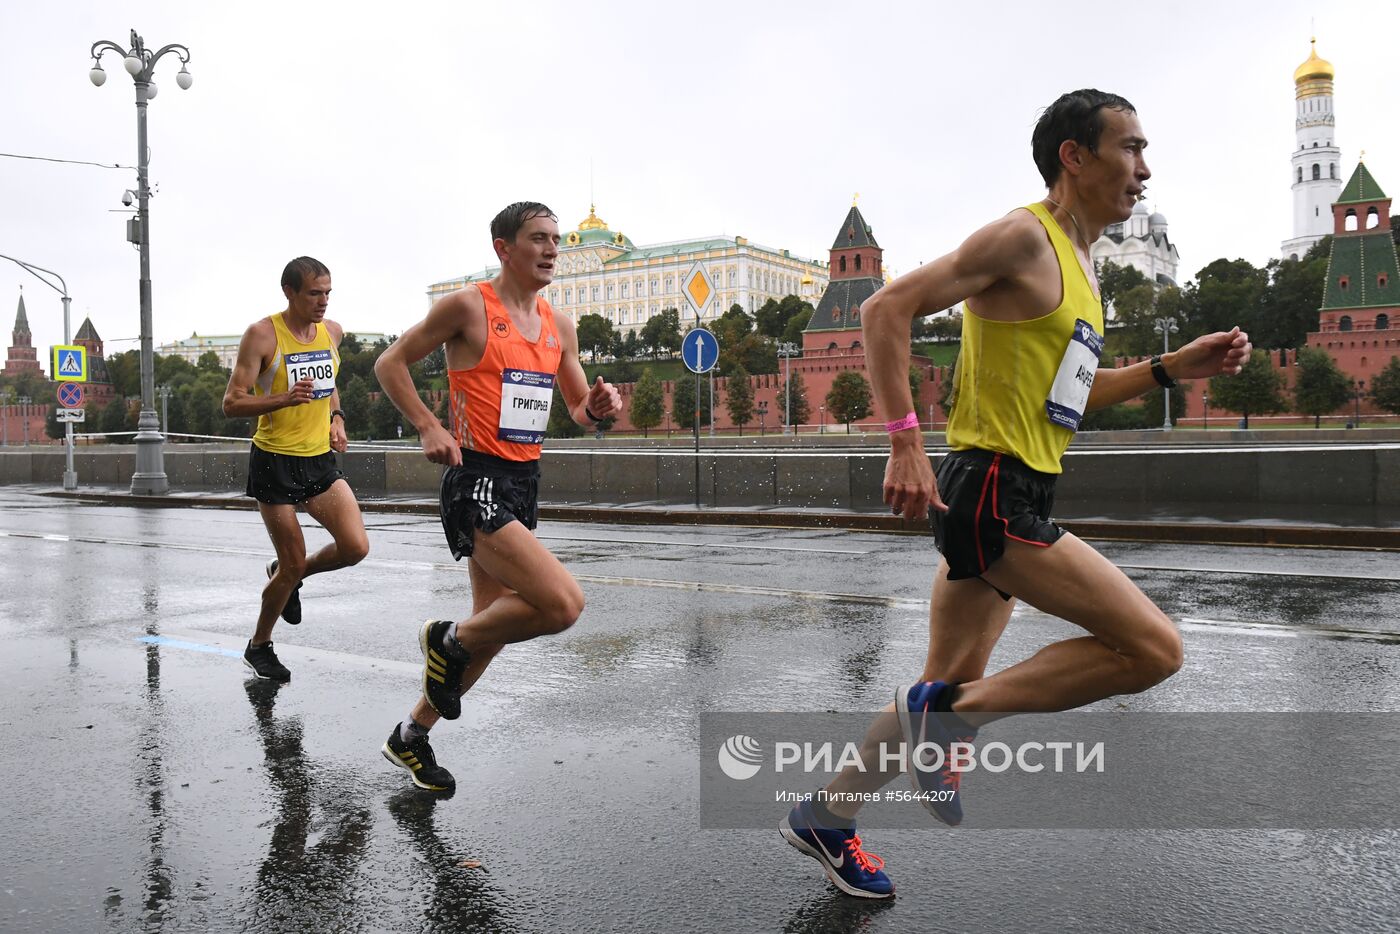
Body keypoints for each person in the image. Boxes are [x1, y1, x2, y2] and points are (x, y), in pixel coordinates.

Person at [780, 89, 1252, 898]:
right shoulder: (1022, 236)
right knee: (1150, 651)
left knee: (947, 679)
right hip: (993, 490)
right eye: (1130, 148)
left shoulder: (1079, 261)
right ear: (1075, 155)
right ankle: (947, 726)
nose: (1145, 167)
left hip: (1013, 484)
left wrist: (1173, 368)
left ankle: (829, 813)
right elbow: (888, 307)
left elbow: (1064, 394)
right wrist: (904, 438)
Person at [373, 202, 622, 793]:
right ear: (503, 247)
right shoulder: (468, 306)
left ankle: (410, 736)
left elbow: (579, 410)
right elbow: (390, 363)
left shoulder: (559, 325)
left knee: (496, 628)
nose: (552, 249)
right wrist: (428, 425)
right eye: (538, 238)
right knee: (562, 605)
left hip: (522, 482)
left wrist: (601, 409)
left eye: (556, 240)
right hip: (475, 479)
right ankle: (445, 638)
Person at [223, 256, 370, 682]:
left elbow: (329, 381)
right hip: (275, 461)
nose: (323, 301)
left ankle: (287, 577)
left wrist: (337, 417)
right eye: (313, 293)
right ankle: (259, 645)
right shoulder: (262, 336)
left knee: (355, 547)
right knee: (292, 563)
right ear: (289, 292)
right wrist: (282, 399)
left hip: (319, 459)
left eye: (327, 293)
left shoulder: (332, 333)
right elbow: (232, 402)